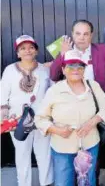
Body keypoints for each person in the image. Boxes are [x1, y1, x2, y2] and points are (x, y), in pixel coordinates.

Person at [34, 50, 105, 186]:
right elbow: (40, 118)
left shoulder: (92, 86)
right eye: (70, 66)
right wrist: (57, 130)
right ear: (63, 70)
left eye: (79, 66)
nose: (75, 70)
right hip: (62, 147)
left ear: (84, 69)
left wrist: (91, 122)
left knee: (88, 182)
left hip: (89, 145)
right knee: (63, 183)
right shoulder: (54, 91)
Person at [1, 35, 54, 186]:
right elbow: (3, 94)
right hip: (17, 119)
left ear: (36, 51)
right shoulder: (10, 70)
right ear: (17, 53)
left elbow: (52, 92)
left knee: (45, 153)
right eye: (22, 48)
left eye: (31, 47)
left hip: (41, 119)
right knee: (22, 154)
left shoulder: (44, 70)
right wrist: (3, 116)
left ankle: (47, 183)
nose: (27, 51)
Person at [50, 19, 105, 95]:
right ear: (72, 34)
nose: (81, 37)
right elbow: (54, 76)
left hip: (97, 99)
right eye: (78, 34)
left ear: (91, 35)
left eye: (85, 34)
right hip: (73, 100)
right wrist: (63, 55)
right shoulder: (65, 50)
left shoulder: (103, 50)